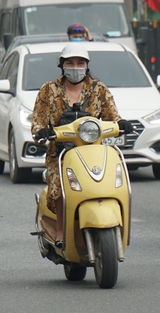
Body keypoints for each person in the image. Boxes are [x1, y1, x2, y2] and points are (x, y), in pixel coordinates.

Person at [31, 43, 131, 244]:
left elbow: (113, 117)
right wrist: (42, 131)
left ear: (86, 66)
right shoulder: (49, 90)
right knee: (59, 186)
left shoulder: (98, 89)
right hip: (60, 153)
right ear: (62, 66)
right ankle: (60, 230)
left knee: (114, 181)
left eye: (80, 63)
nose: (75, 67)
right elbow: (38, 122)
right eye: (70, 63)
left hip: (93, 151)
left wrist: (122, 124)